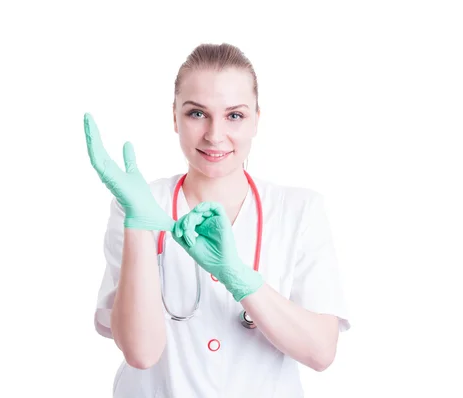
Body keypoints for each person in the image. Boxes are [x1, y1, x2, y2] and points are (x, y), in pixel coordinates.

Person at [84, 42, 351, 398]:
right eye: (197, 113)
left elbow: (321, 352)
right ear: (174, 116)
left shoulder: (299, 210)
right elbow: (141, 352)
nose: (214, 134)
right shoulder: (140, 205)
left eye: (234, 115)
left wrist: (238, 278)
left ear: (257, 119)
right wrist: (136, 223)